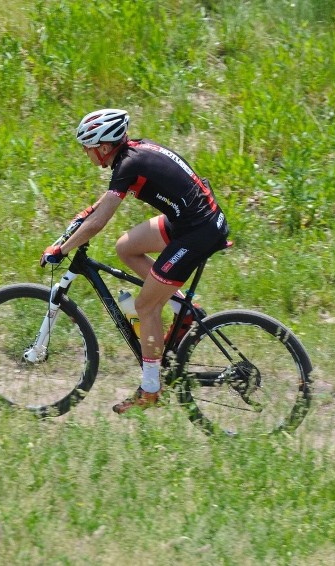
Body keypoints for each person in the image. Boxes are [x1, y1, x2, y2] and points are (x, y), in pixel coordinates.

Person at [40, 108, 229, 414]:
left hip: (198, 231)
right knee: (126, 247)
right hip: (191, 222)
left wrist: (62, 250)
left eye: (87, 148)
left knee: (145, 306)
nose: (86, 154)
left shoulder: (129, 164)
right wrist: (81, 218)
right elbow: (102, 206)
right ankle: (183, 310)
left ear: (103, 147)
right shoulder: (133, 154)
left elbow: (100, 222)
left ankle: (151, 388)